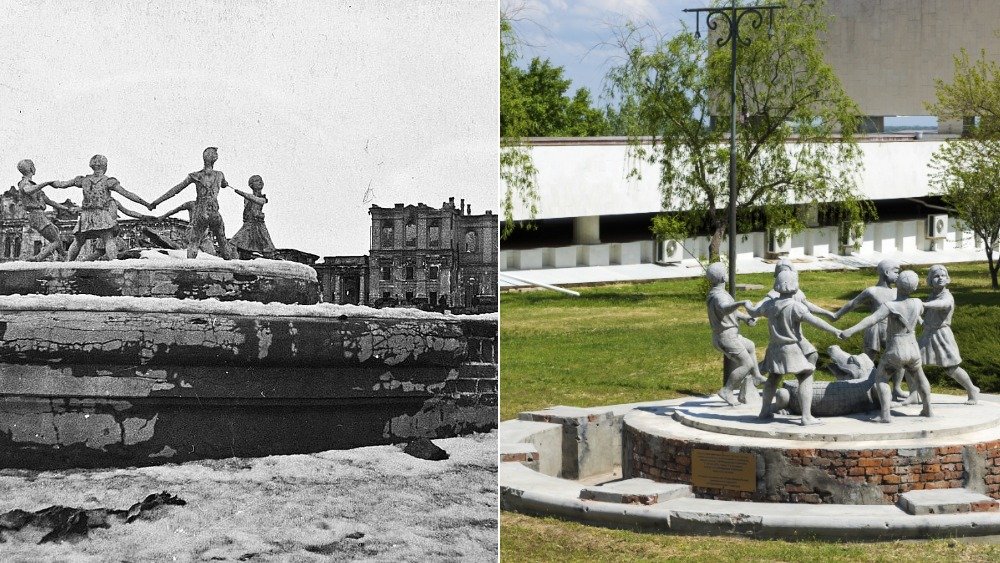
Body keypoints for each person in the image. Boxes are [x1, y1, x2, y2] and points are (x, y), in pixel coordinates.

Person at [746, 270, 840, 426]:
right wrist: (835, 330)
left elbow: (753, 311)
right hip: (791, 349)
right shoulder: (796, 307)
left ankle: (764, 411)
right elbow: (815, 321)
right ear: (794, 285)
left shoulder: (769, 305)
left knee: (773, 378)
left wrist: (746, 304)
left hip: (774, 348)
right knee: (805, 376)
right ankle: (806, 416)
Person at [839, 270, 933, 423]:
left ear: (897, 285)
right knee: (920, 377)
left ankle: (885, 415)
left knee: (881, 379)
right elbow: (921, 317)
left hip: (896, 350)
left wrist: (850, 331)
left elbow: (871, 319)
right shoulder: (917, 302)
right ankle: (928, 409)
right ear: (915, 288)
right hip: (913, 349)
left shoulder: (890, 306)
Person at [41, 154, 151, 261]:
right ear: (105, 166)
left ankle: (68, 263)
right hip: (101, 214)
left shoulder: (83, 180)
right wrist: (146, 204)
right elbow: (127, 193)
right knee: (108, 239)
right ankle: (114, 263)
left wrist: (48, 183)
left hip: (86, 215)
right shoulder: (107, 181)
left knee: (78, 241)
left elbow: (61, 184)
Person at [832, 258, 910, 399]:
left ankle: (897, 388)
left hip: (892, 330)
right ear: (886, 272)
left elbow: (905, 307)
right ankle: (864, 386)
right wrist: (837, 315)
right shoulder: (872, 291)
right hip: (874, 329)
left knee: (899, 358)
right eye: (896, 271)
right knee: (867, 359)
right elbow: (853, 303)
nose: (899, 275)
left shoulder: (897, 292)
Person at [903, 265, 979, 405]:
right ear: (930, 281)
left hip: (942, 335)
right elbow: (925, 317)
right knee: (910, 364)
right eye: (936, 276)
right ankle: (914, 394)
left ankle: (972, 390)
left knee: (952, 369)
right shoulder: (932, 295)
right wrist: (916, 316)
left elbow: (943, 304)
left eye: (943, 276)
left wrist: (924, 305)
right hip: (928, 334)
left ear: (948, 279)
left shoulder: (947, 296)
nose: (940, 278)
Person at [148, 147, 235, 259]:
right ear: (215, 159)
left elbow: (175, 190)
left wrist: (156, 202)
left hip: (201, 212)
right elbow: (224, 184)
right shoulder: (220, 175)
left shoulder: (195, 175)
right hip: (214, 211)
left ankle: (190, 267)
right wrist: (224, 184)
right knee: (222, 240)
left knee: (194, 242)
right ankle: (232, 269)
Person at [752, 259, 837, 366]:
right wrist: (754, 317)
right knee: (806, 356)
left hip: (796, 333)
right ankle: (756, 374)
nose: (784, 273)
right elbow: (762, 304)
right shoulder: (775, 293)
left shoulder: (797, 292)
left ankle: (803, 378)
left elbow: (808, 305)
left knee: (810, 356)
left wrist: (826, 313)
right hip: (787, 334)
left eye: (787, 270)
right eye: (781, 271)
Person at [704, 263, 762, 406]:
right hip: (726, 338)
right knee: (746, 364)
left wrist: (745, 318)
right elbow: (725, 309)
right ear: (724, 277)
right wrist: (741, 302)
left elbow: (730, 313)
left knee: (750, 346)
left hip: (726, 335)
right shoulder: (720, 297)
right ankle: (727, 390)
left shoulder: (716, 293)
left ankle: (757, 377)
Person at [15, 159, 69, 261]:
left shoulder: (33, 185)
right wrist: (47, 183)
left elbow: (50, 201)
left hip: (39, 215)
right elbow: (28, 190)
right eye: (33, 166)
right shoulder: (25, 183)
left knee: (56, 232)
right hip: (36, 215)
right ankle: (38, 258)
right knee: (56, 241)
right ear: (31, 168)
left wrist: (66, 209)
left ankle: (64, 256)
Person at [229, 175, 276, 259]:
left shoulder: (262, 198)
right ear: (251, 185)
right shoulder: (247, 198)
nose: (260, 182)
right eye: (257, 180)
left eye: (261, 180)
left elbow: (257, 200)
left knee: (268, 249)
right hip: (249, 224)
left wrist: (241, 193)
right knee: (234, 243)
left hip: (259, 225)